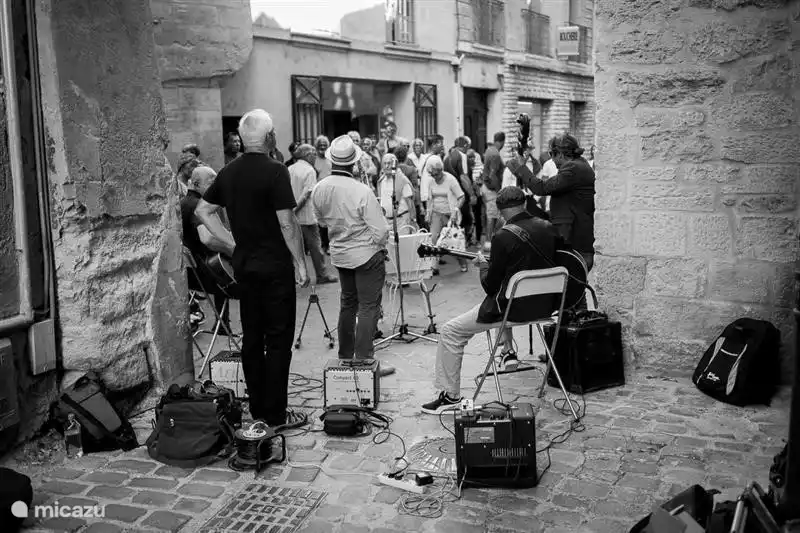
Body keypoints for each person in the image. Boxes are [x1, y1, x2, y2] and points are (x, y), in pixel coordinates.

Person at [195, 109, 309, 431]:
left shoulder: (229, 172)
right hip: (274, 268)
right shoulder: (276, 171)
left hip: (245, 268)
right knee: (277, 340)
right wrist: (301, 263)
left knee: (252, 338)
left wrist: (230, 241)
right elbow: (287, 223)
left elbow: (204, 210)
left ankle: (258, 408)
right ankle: (274, 414)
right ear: (270, 136)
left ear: (243, 140)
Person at [421, 186, 563, 414]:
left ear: (499, 211)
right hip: (546, 308)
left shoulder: (503, 236)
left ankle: (450, 397)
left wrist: (484, 267)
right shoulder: (548, 227)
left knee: (450, 331)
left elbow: (490, 286)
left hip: (512, 311)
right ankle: (507, 351)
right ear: (524, 204)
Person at [311, 135, 395, 377]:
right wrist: (380, 246)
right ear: (354, 163)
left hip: (340, 253)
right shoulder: (361, 190)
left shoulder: (320, 188)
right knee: (368, 307)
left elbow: (320, 222)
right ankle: (365, 361)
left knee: (348, 304)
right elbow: (380, 231)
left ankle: (345, 357)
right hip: (366, 254)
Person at [506, 133, 596, 270]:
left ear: (560, 153)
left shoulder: (572, 168)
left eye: (551, 154)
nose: (552, 160)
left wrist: (521, 168)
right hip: (577, 233)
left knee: (569, 277)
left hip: (574, 235)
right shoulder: (580, 165)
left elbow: (541, 188)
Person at [181, 164, 236, 332]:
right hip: (204, 275)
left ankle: (223, 325)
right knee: (251, 283)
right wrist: (233, 249)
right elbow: (208, 239)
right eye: (211, 183)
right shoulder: (197, 205)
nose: (216, 187)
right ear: (196, 184)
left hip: (190, 275)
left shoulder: (183, 202)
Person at [289, 144, 337, 284]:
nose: (315, 156)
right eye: (313, 154)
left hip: (292, 216)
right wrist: (296, 209)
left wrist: (290, 212)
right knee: (316, 247)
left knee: (293, 249)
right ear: (307, 155)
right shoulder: (309, 170)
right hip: (306, 216)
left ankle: (293, 278)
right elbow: (306, 193)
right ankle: (322, 275)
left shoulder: (289, 169)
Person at [424, 156, 467, 274]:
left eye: (436, 174)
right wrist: (428, 212)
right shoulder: (431, 181)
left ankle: (462, 262)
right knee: (433, 239)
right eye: (432, 175)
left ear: (441, 170)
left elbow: (461, 197)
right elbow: (430, 198)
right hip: (437, 213)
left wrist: (455, 211)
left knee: (454, 241)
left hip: (450, 215)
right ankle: (434, 267)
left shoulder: (451, 180)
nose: (435, 177)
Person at [376, 153, 416, 234]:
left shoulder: (402, 180)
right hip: (386, 221)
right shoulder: (381, 180)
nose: (387, 166)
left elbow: (410, 203)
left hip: (401, 220)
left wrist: (413, 220)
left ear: (395, 165)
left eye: (389, 163)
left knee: (402, 245)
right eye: (384, 163)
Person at [481, 132, 506, 240]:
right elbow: (493, 174)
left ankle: (490, 240)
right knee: (492, 216)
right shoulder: (495, 154)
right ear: (502, 142)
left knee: (493, 215)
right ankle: (488, 242)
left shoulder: (489, 150)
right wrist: (498, 190)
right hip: (491, 189)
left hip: (487, 187)